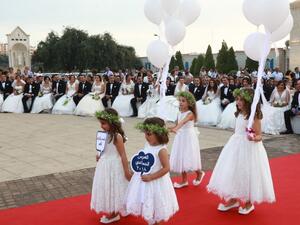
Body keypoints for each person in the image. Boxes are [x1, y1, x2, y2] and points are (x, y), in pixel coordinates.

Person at [207, 88, 275, 215]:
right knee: (233, 171)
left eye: (240, 100)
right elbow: (237, 131)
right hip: (235, 146)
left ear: (248, 101)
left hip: (249, 148)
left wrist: (253, 138)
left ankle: (249, 204)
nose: (237, 102)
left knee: (248, 173)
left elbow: (260, 135)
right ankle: (233, 199)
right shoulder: (239, 114)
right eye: (237, 99)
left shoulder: (253, 116)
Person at [124, 117, 179, 225]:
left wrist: (151, 177)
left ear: (158, 134)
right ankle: (153, 221)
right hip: (145, 181)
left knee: (157, 205)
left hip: (156, 182)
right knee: (149, 202)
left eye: (149, 134)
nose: (146, 137)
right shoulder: (148, 145)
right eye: (145, 133)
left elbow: (166, 168)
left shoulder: (161, 150)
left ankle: (158, 221)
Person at [91, 108, 131, 224]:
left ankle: (114, 214)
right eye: (100, 123)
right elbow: (103, 149)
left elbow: (123, 154)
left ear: (112, 122)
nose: (101, 126)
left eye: (103, 123)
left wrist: (126, 171)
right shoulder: (104, 135)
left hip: (113, 166)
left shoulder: (117, 136)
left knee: (114, 187)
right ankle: (118, 210)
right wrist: (99, 154)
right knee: (107, 187)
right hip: (104, 164)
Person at [169, 92, 205, 188]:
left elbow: (183, 122)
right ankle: (184, 181)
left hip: (188, 137)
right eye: (180, 100)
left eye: (183, 101)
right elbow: (176, 124)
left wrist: (176, 129)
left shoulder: (190, 114)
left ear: (189, 103)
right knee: (181, 156)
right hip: (180, 136)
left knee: (190, 156)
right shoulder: (178, 112)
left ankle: (199, 173)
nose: (181, 103)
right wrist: (168, 128)